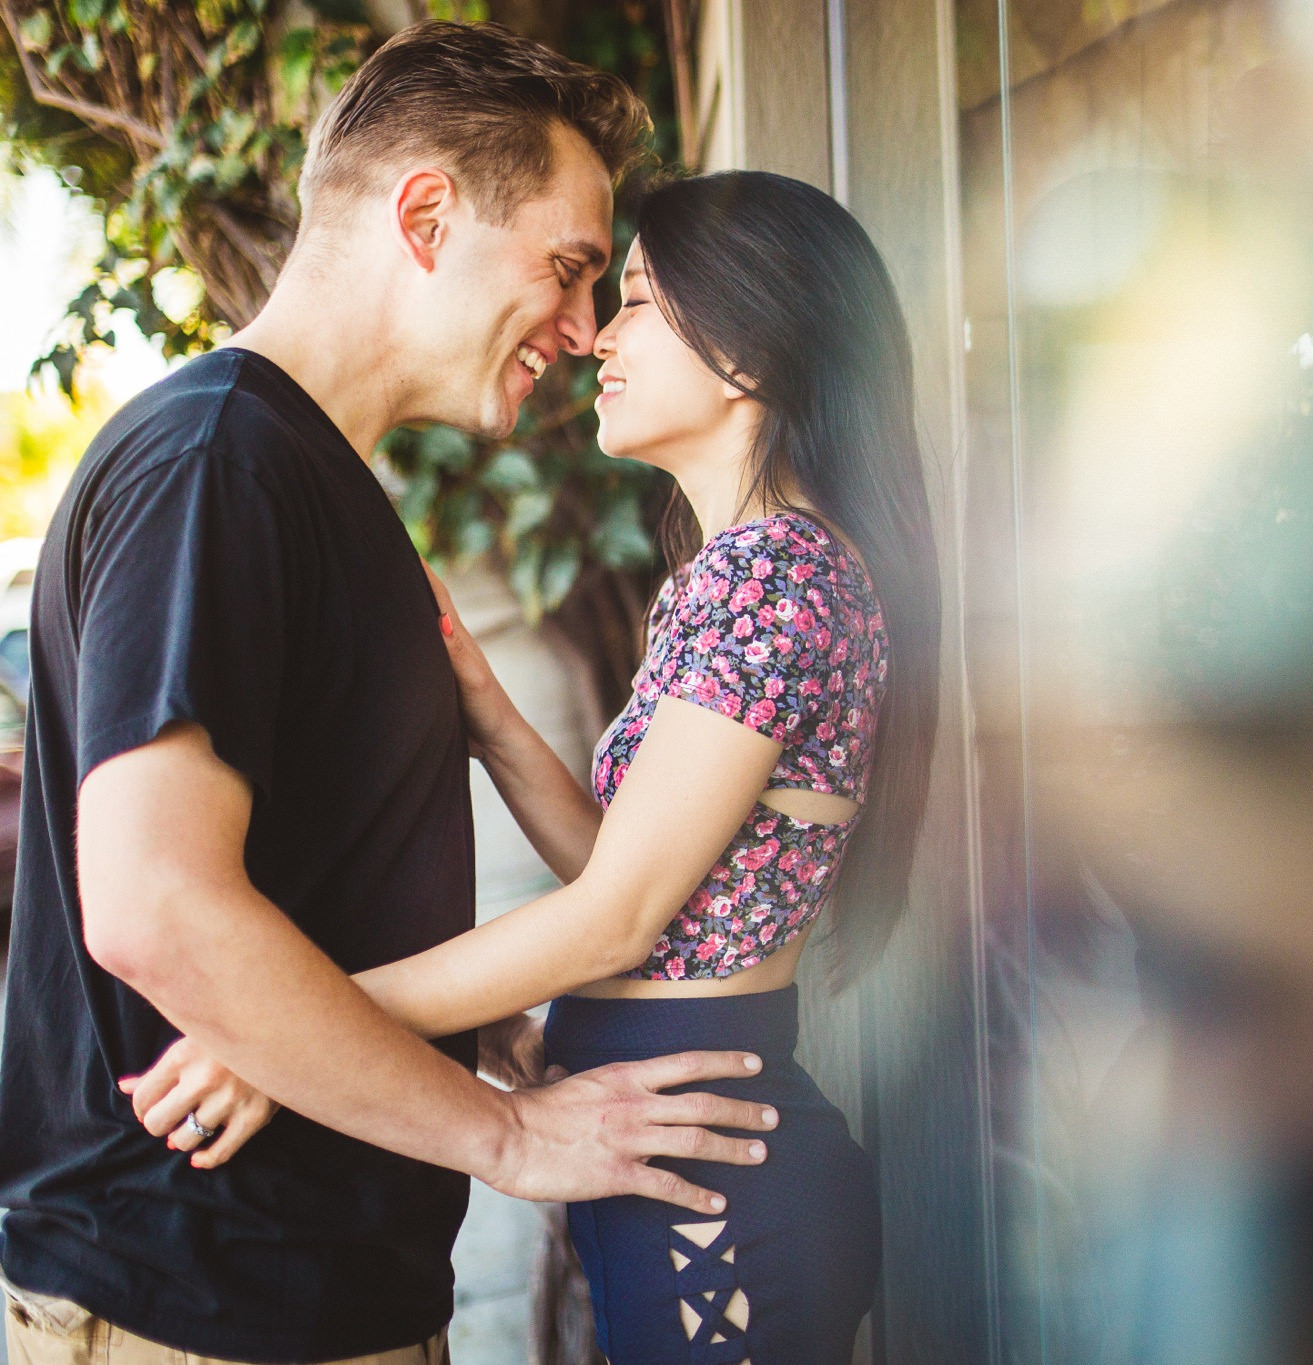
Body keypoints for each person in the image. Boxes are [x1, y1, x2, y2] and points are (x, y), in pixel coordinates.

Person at [0, 24, 779, 1365]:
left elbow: (307, 901)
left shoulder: (309, 478)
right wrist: (509, 1138)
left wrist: (488, 1042)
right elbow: (156, 908)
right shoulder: (218, 464)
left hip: (306, 1302)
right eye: (569, 267)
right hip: (198, 1306)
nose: (583, 326)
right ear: (426, 214)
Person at [123, 171, 942, 1363]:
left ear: (750, 354)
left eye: (643, 301)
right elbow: (640, 878)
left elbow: (613, 920)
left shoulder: (773, 579)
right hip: (685, 1151)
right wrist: (486, 707)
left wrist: (294, 1029)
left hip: (708, 1177)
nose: (597, 334)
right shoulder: (754, 574)